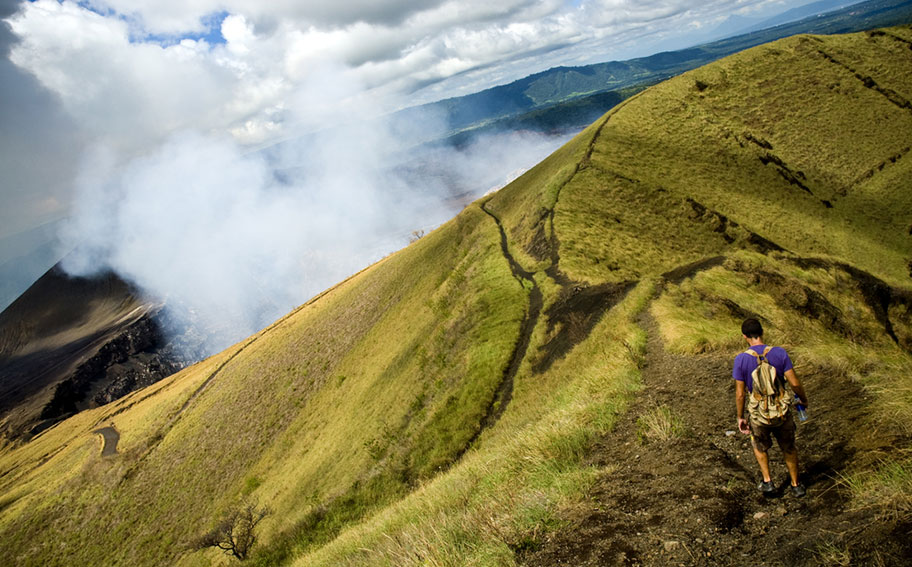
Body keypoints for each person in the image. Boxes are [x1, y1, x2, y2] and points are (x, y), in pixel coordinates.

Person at [733, 318, 809, 497]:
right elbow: (794, 383)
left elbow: (740, 394)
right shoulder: (780, 353)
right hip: (781, 410)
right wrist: (803, 399)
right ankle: (796, 484)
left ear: (745, 336)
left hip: (758, 413)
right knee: (789, 447)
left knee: (759, 446)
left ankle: (768, 481)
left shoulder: (741, 359)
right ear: (762, 332)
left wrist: (740, 417)